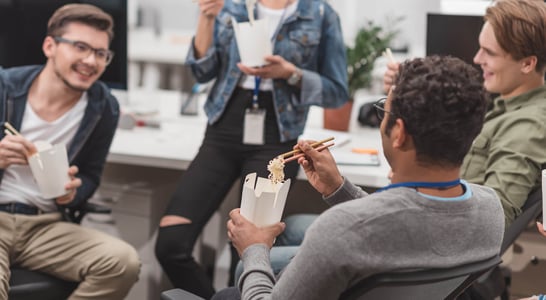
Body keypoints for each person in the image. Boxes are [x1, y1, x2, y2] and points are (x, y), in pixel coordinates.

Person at [221, 55, 505, 299]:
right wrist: (339, 188)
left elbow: (383, 224)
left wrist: (254, 248)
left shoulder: (340, 230)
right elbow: (403, 225)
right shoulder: (490, 211)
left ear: (399, 133)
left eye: (384, 109)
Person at [154, 0, 348, 298]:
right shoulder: (230, 6)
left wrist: (290, 74)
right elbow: (201, 72)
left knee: (245, 255)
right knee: (170, 243)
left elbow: (337, 92)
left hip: (278, 137)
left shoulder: (319, 13)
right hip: (223, 131)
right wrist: (206, 18)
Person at [0, 4, 140, 299]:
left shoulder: (104, 107)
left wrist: (73, 192)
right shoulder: (5, 86)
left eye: (101, 53)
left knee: (123, 262)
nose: (91, 60)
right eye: (81, 47)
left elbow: (90, 176)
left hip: (45, 226)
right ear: (50, 46)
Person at [384, 0, 546, 228]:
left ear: (528, 64)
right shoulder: (503, 103)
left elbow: (493, 221)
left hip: (440, 239)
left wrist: (414, 183)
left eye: (489, 53)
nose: (477, 58)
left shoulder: (527, 125)